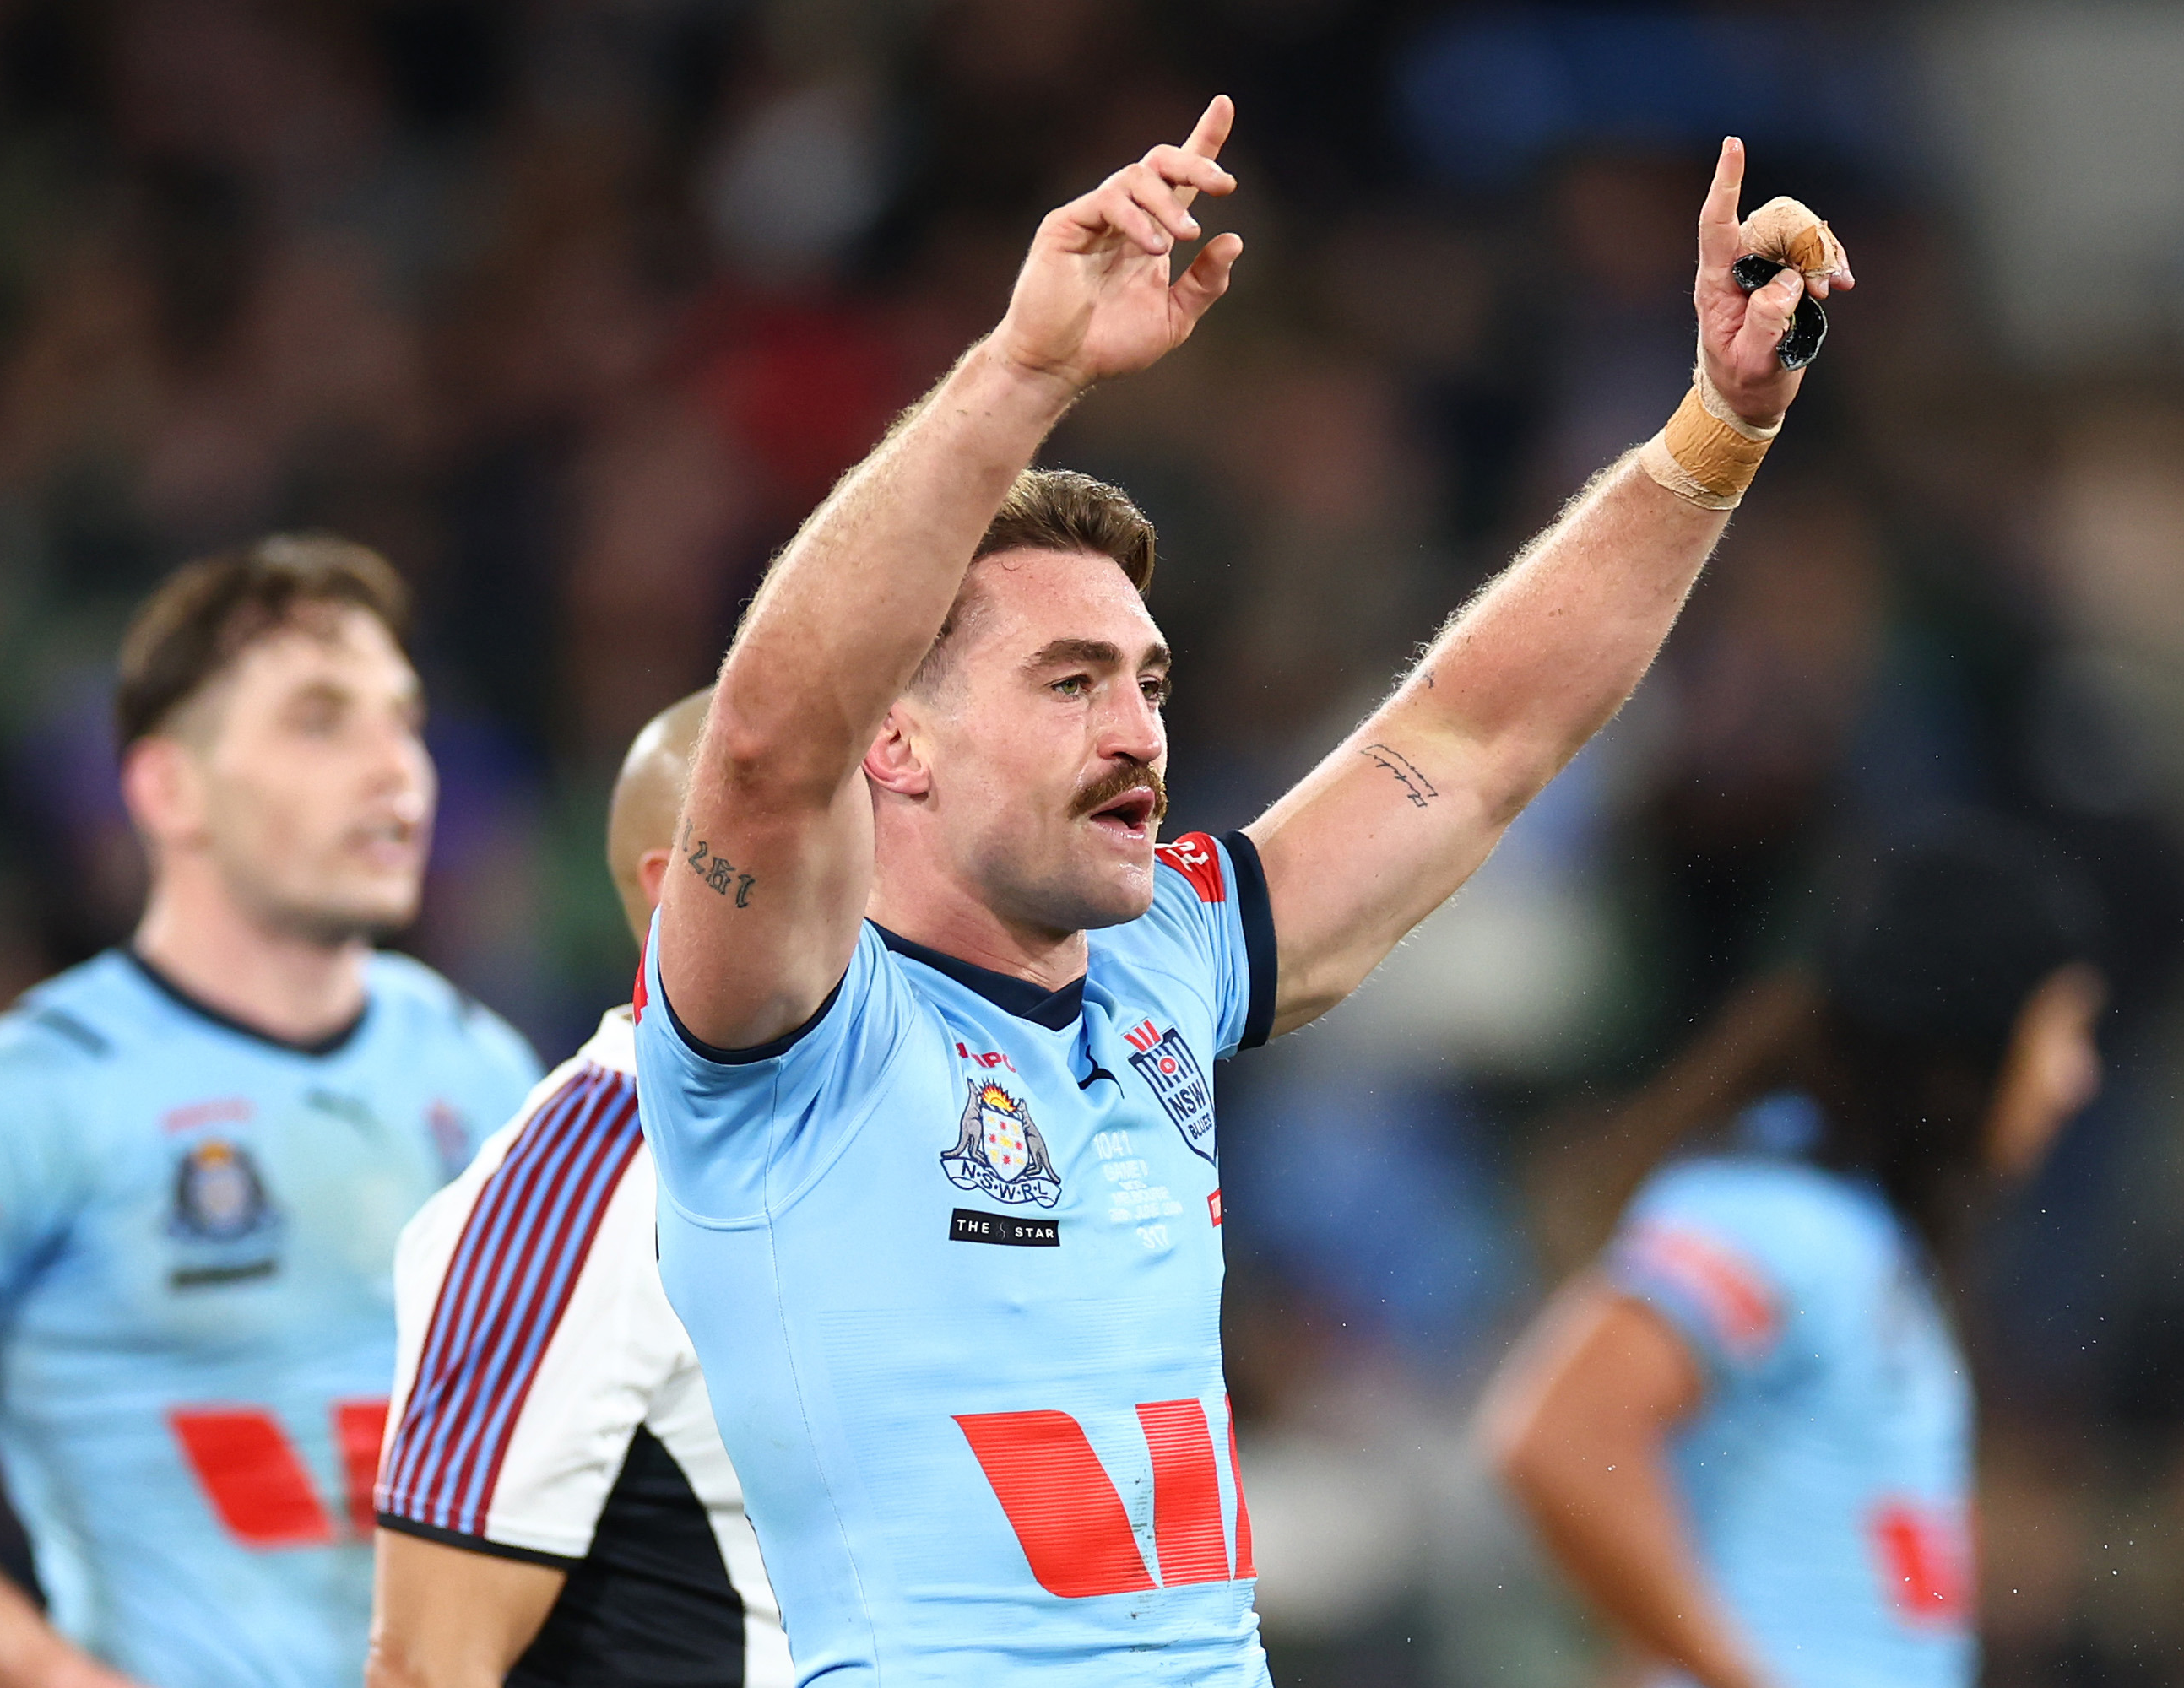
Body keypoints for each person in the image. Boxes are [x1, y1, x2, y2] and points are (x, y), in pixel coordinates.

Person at [634, 92, 1853, 1685]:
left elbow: (1474, 740)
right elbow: (768, 748)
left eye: (1146, 679)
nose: (1139, 726)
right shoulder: (783, 1029)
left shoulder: (1170, 957)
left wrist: (1713, 435)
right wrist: (1026, 371)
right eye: (1070, 681)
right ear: (902, 745)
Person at [0, 536, 545, 1688]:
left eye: (405, 719)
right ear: (166, 788)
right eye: (320, 719)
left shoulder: (480, 1065)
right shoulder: (32, 1095)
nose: (397, 768)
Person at [1480, 822, 2106, 1688]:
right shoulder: (1780, 1218)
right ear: (1972, 1035)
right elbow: (1557, 1436)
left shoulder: (1858, 1240)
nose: (2078, 1074)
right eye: (2062, 1028)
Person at [366, 689, 789, 1688]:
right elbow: (426, 1663)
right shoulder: (587, 1179)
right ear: (683, 887)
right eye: (837, 818)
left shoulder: (914, 1149)